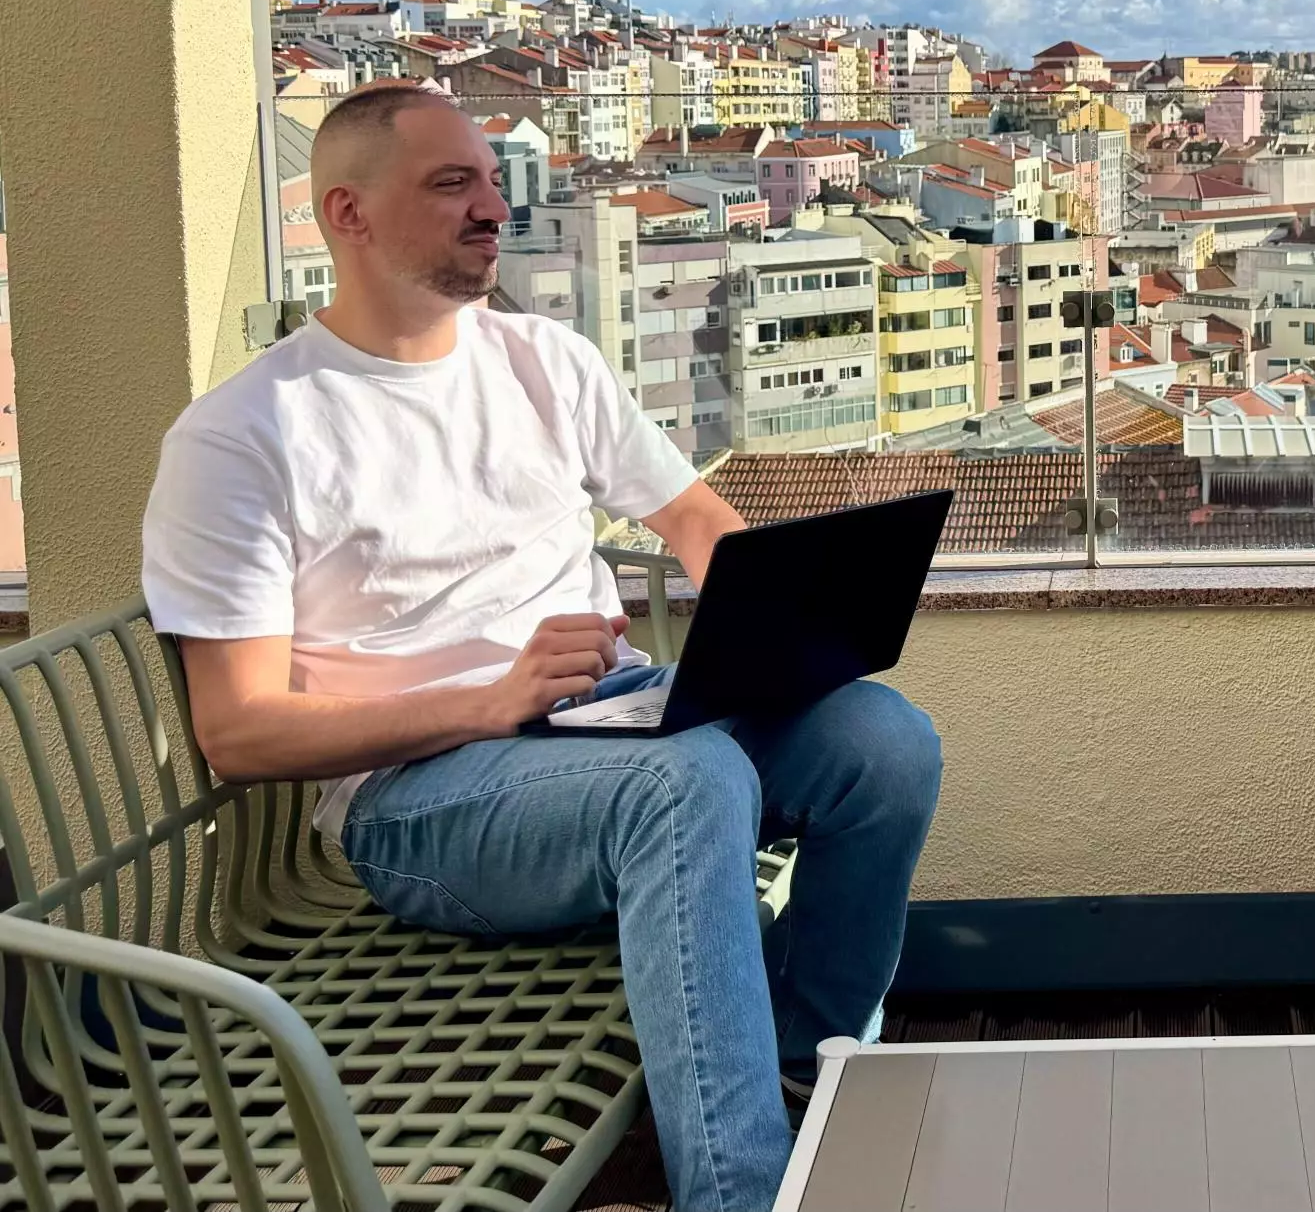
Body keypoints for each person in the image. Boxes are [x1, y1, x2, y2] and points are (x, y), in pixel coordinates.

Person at [141, 83, 941, 1212]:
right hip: (417, 795)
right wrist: (489, 701)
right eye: (450, 184)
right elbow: (238, 730)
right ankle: (742, 1193)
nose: (492, 207)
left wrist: (772, 625)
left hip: (606, 723)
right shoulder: (244, 435)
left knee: (883, 741)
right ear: (347, 215)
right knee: (689, 783)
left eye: (491, 178)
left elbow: (692, 517)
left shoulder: (542, 361)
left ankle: (808, 1070)